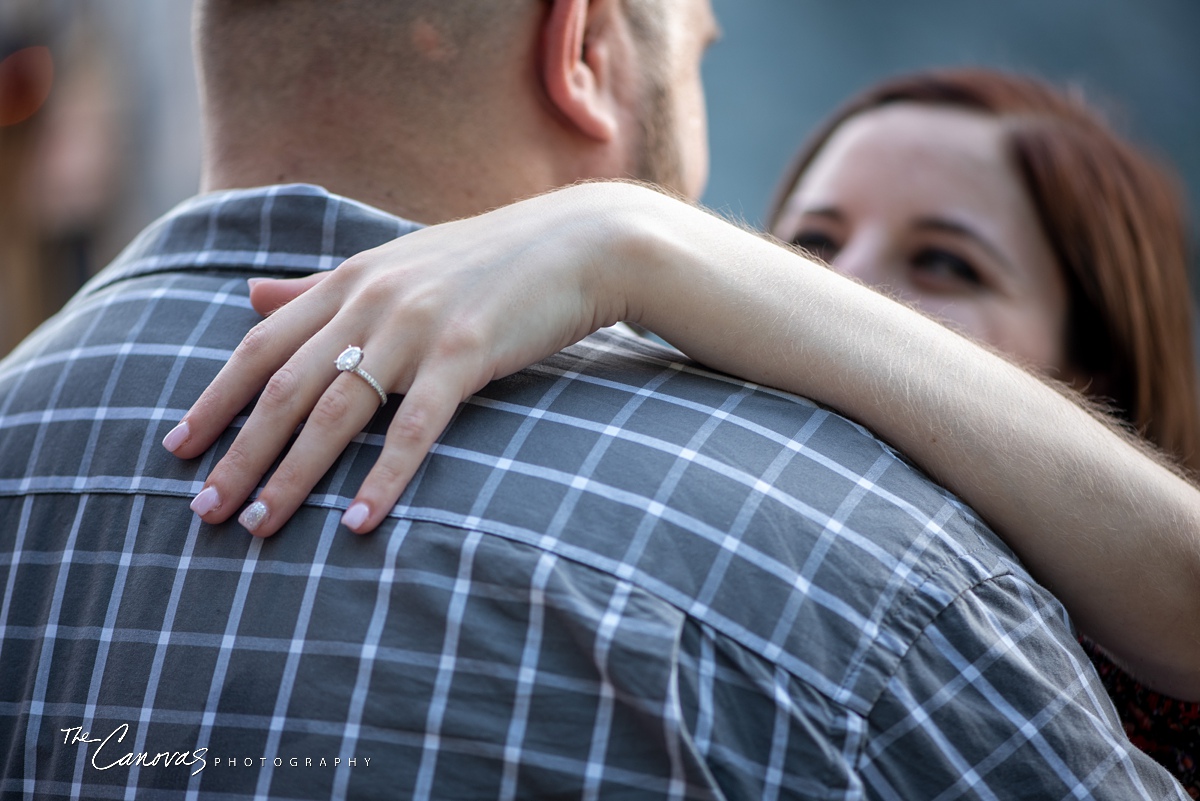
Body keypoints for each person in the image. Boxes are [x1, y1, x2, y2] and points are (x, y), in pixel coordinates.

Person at [0, 3, 1184, 799]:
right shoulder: (874, 582)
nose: (841, 300)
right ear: (584, 45)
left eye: (948, 265)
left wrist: (639, 240)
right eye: (808, 246)